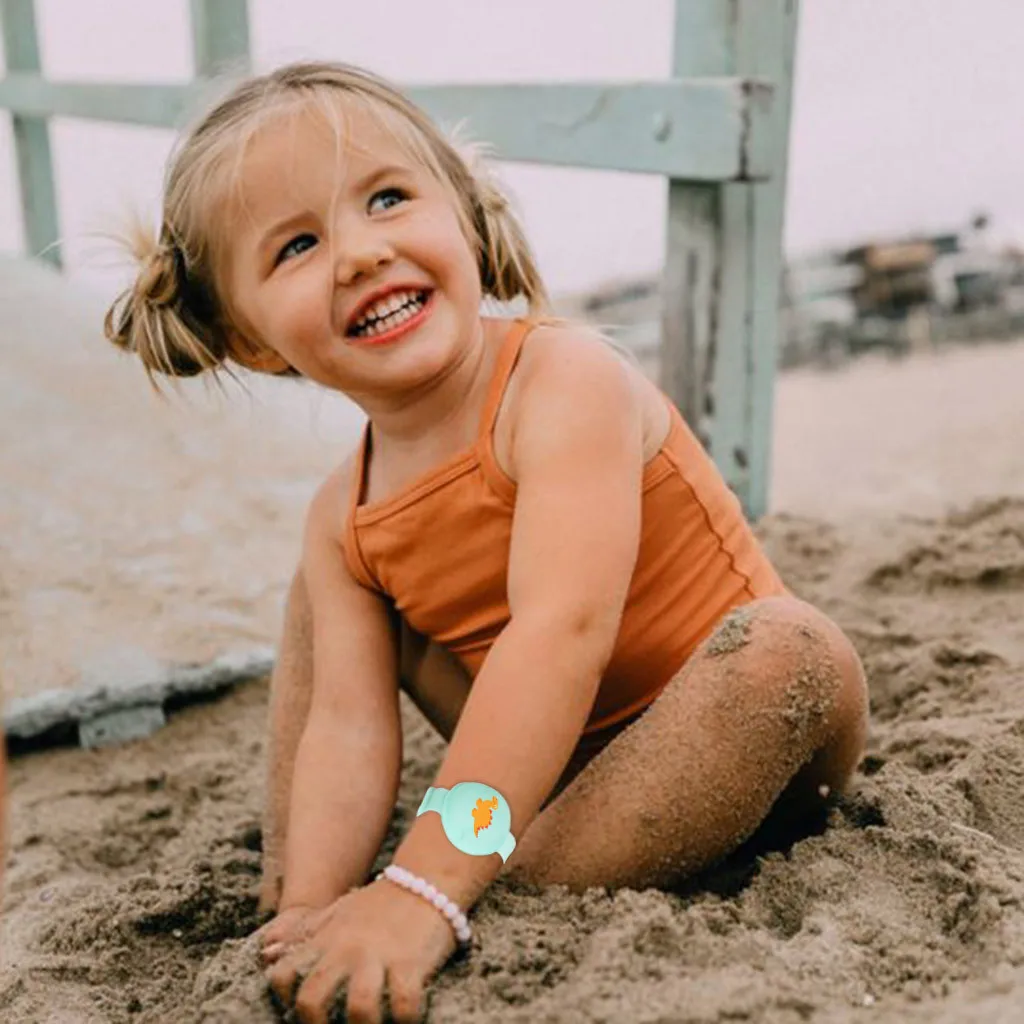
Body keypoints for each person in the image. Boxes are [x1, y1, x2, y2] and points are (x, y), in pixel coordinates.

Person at [104, 61, 869, 1024]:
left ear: (464, 215)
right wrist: (324, 895)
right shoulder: (344, 510)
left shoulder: (563, 382)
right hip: (550, 783)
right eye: (297, 245)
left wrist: (423, 885)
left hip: (733, 749)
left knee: (789, 650)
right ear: (251, 341)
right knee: (324, 582)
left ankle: (478, 889)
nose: (361, 253)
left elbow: (561, 635)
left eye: (388, 199)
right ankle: (301, 902)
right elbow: (346, 725)